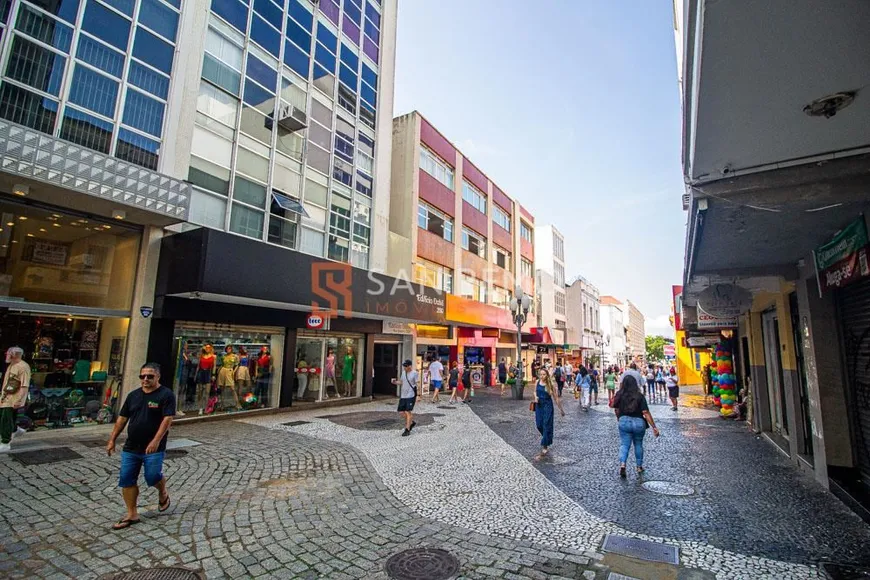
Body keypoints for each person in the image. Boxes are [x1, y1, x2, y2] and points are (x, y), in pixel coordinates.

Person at [106, 363, 175, 530]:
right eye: (142, 376)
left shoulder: (166, 395)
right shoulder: (133, 396)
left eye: (150, 376)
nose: (145, 379)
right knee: (127, 479)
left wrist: (156, 440)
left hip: (153, 447)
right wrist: (112, 439)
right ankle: (132, 513)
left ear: (158, 377)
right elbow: (122, 419)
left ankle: (162, 493)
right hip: (131, 447)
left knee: (152, 477)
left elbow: (167, 420)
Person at [612, 375, 659, 478]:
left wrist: (619, 418)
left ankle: (623, 464)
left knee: (624, 445)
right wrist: (654, 427)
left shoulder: (620, 394)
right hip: (638, 422)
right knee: (638, 444)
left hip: (624, 421)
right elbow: (645, 412)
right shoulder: (639, 396)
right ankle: (639, 466)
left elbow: (616, 409)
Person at [0, 347, 31, 453]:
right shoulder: (12, 365)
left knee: (5, 419)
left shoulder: (23, 367)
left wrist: (19, 400)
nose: (6, 355)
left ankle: (5, 442)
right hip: (6, 397)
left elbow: (24, 385)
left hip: (13, 398)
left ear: (14, 355)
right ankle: (15, 430)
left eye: (8, 354)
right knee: (5, 417)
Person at [533, 368, 565, 456]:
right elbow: (535, 392)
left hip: (548, 406)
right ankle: (547, 437)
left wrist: (561, 410)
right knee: (539, 425)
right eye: (541, 374)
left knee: (546, 424)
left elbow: (556, 398)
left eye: (544, 374)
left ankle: (545, 445)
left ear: (547, 375)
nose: (542, 376)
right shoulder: (537, 382)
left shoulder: (550, 384)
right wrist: (535, 397)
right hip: (539, 405)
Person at [392, 360, 418, 436]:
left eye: (406, 366)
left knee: (407, 411)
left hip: (411, 395)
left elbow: (417, 384)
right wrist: (395, 382)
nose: (405, 367)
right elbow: (402, 382)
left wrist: (418, 395)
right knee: (401, 411)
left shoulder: (415, 373)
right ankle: (411, 422)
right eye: (404, 366)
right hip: (403, 395)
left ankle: (407, 429)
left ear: (410, 366)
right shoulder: (403, 373)